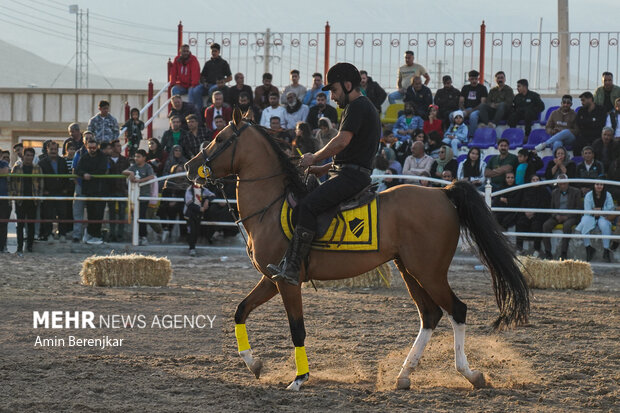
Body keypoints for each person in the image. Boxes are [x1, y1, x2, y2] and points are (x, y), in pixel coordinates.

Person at [268, 62, 381, 285]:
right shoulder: (359, 107)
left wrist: (314, 157)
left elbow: (341, 142)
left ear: (348, 85)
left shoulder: (357, 107)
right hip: (348, 172)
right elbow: (352, 155)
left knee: (307, 205)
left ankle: (292, 267)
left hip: (351, 178)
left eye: (335, 91)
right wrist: (321, 169)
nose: (333, 97)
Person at [76, 139, 109, 245]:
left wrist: (89, 175)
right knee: (91, 213)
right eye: (90, 148)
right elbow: (78, 169)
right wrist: (84, 174)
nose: (92, 150)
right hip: (89, 190)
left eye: (94, 147)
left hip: (101, 189)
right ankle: (90, 233)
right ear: (86, 147)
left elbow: (102, 169)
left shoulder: (102, 157)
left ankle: (96, 235)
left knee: (98, 213)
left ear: (97, 147)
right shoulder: (84, 157)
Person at [541, 174, 582, 260]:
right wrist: (556, 215)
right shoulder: (554, 192)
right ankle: (548, 252)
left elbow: (579, 208)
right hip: (557, 216)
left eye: (564, 183)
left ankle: (564, 253)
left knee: (567, 226)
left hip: (571, 216)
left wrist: (567, 216)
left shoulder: (576, 191)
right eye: (560, 184)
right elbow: (551, 208)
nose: (562, 186)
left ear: (568, 183)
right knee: (546, 225)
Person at [9, 147, 42, 254]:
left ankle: (30, 246)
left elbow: (41, 184)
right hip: (20, 200)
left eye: (31, 155)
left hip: (33, 199)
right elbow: (11, 182)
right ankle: (19, 247)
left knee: (31, 224)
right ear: (23, 156)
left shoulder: (37, 168)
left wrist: (39, 197)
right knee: (20, 225)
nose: (29, 157)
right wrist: (14, 195)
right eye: (27, 155)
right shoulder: (17, 168)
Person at [38, 141, 71, 241]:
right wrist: (44, 191)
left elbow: (67, 176)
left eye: (55, 149)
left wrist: (66, 189)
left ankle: (62, 234)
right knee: (48, 214)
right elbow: (39, 179)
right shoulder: (42, 163)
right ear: (47, 149)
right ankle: (48, 234)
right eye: (51, 149)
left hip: (61, 192)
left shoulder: (62, 161)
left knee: (62, 214)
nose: (53, 151)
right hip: (48, 192)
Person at [123, 149, 156, 246]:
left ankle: (143, 236)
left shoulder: (148, 167)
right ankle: (137, 237)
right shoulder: (134, 167)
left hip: (144, 196)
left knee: (141, 216)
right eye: (135, 156)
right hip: (134, 196)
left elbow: (151, 177)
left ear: (144, 158)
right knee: (135, 217)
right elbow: (124, 171)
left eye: (138, 157)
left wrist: (140, 181)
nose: (136, 158)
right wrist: (131, 173)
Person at [576, 183, 614, 262]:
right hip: (590, 215)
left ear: (604, 186)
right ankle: (588, 248)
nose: (599, 186)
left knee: (604, 225)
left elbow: (610, 208)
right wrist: (595, 212)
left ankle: (606, 250)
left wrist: (600, 211)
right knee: (584, 222)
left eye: (601, 184)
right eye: (597, 184)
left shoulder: (608, 194)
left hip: (603, 216)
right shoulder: (589, 195)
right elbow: (587, 209)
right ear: (594, 185)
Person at [515, 174, 550, 256]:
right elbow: (522, 203)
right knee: (520, 222)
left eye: (537, 179)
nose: (535, 181)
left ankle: (537, 249)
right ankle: (519, 248)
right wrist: (526, 212)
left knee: (537, 224)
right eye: (533, 180)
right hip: (526, 214)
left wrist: (534, 212)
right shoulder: (526, 191)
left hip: (539, 215)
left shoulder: (544, 191)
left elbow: (545, 205)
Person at [107, 139, 130, 242]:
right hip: (110, 189)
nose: (119, 148)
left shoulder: (125, 160)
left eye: (120, 146)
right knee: (111, 213)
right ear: (112, 148)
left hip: (122, 190)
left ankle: (120, 235)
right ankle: (112, 234)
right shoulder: (106, 160)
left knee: (121, 213)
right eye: (117, 146)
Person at [183, 182, 216, 256]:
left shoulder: (203, 189)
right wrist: (199, 208)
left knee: (196, 231)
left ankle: (193, 247)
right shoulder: (189, 189)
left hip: (198, 214)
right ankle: (191, 248)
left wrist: (207, 200)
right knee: (191, 231)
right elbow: (188, 202)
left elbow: (212, 195)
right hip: (190, 214)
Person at [158, 164, 188, 243]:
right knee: (162, 209)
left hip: (180, 203)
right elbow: (165, 194)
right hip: (168, 202)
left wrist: (176, 201)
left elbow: (185, 195)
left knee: (182, 211)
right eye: (178, 171)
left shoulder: (186, 182)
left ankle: (183, 235)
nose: (180, 173)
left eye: (181, 171)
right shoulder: (169, 181)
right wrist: (169, 201)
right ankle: (166, 229)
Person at [459, 70, 488, 137]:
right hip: (466, 109)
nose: (474, 81)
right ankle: (454, 133)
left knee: (473, 116)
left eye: (476, 79)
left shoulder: (482, 88)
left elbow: (482, 103)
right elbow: (461, 102)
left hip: (477, 110)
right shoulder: (465, 88)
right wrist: (464, 110)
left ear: (478, 79)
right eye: (472, 79)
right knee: (454, 115)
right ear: (469, 79)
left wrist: (471, 111)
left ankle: (471, 136)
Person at [0, 153, 9, 252]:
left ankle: (2, 246)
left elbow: (5, 172)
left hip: (3, 197)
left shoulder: (4, 163)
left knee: (3, 223)